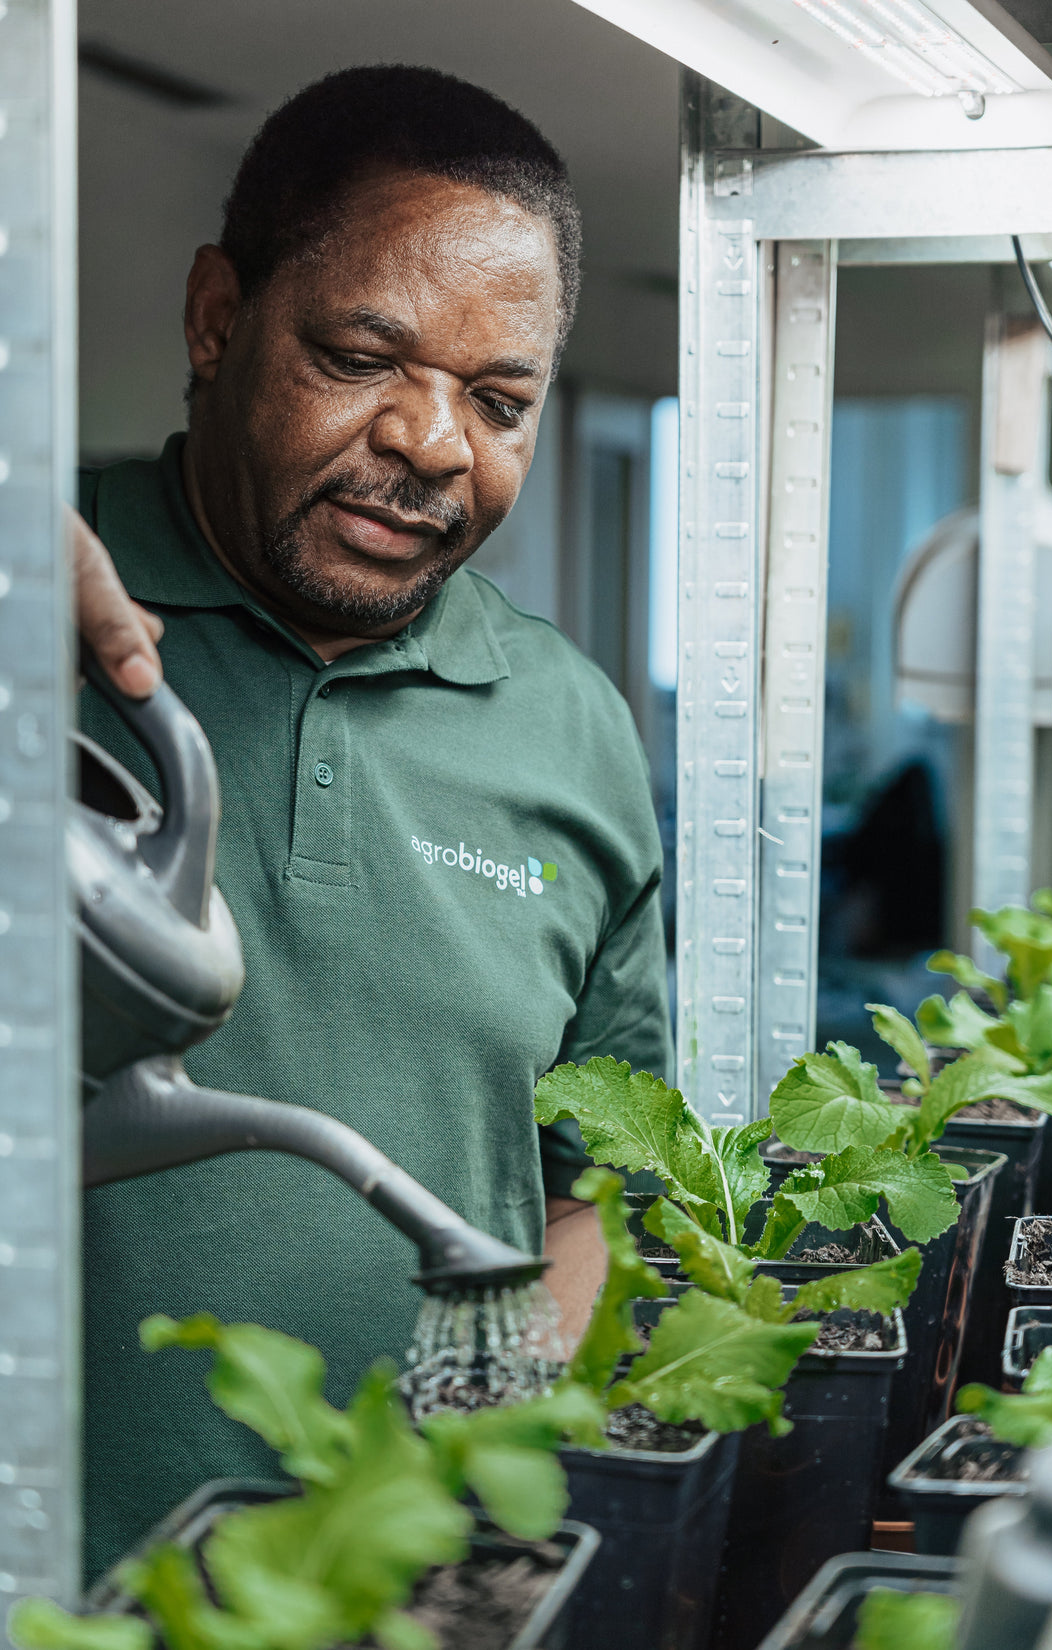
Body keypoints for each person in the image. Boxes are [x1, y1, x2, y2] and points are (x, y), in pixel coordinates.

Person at [75, 64, 672, 1581]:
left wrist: (488, 1481)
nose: (432, 443)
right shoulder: (39, 595)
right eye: (363, 355)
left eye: (501, 399)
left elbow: (579, 1193)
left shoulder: (571, 728)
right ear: (219, 321)